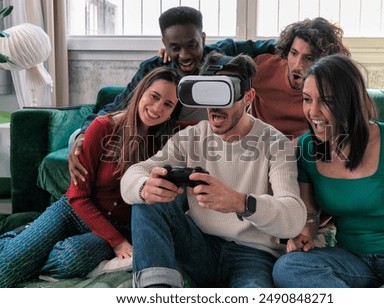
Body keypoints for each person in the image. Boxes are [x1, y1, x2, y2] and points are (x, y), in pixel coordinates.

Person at [120, 52, 307, 288]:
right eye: (209, 95)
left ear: (248, 97)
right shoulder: (192, 137)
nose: (214, 108)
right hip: (199, 246)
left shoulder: (275, 143)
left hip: (253, 256)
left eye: (224, 95)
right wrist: (144, 187)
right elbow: (134, 174)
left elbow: (293, 218)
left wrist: (240, 203)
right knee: (146, 198)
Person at [272, 54, 384, 288]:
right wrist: (304, 234)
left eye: (326, 101)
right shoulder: (307, 148)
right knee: (288, 268)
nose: (313, 112)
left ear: (350, 102)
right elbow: (310, 214)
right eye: (307, 99)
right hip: (352, 261)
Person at [0, 67, 182, 288]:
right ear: (141, 92)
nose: (157, 108)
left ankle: (30, 248)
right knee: (6, 270)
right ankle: (17, 240)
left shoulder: (166, 144)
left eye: (167, 104)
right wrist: (117, 243)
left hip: (118, 225)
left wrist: (117, 238)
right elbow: (78, 197)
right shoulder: (102, 127)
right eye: (154, 97)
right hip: (73, 210)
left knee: (71, 258)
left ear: (173, 110)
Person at [69, 6, 276, 185]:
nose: (184, 55)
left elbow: (267, 45)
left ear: (203, 39)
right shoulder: (155, 68)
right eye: (175, 47)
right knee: (75, 138)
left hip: (212, 145)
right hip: (169, 145)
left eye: (192, 45)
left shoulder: (220, 56)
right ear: (164, 44)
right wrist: (82, 136)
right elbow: (116, 107)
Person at [250, 17, 350, 140]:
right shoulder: (264, 67)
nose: (298, 65)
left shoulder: (331, 84)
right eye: (294, 53)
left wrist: (296, 145)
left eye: (308, 58)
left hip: (306, 148)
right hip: (259, 145)